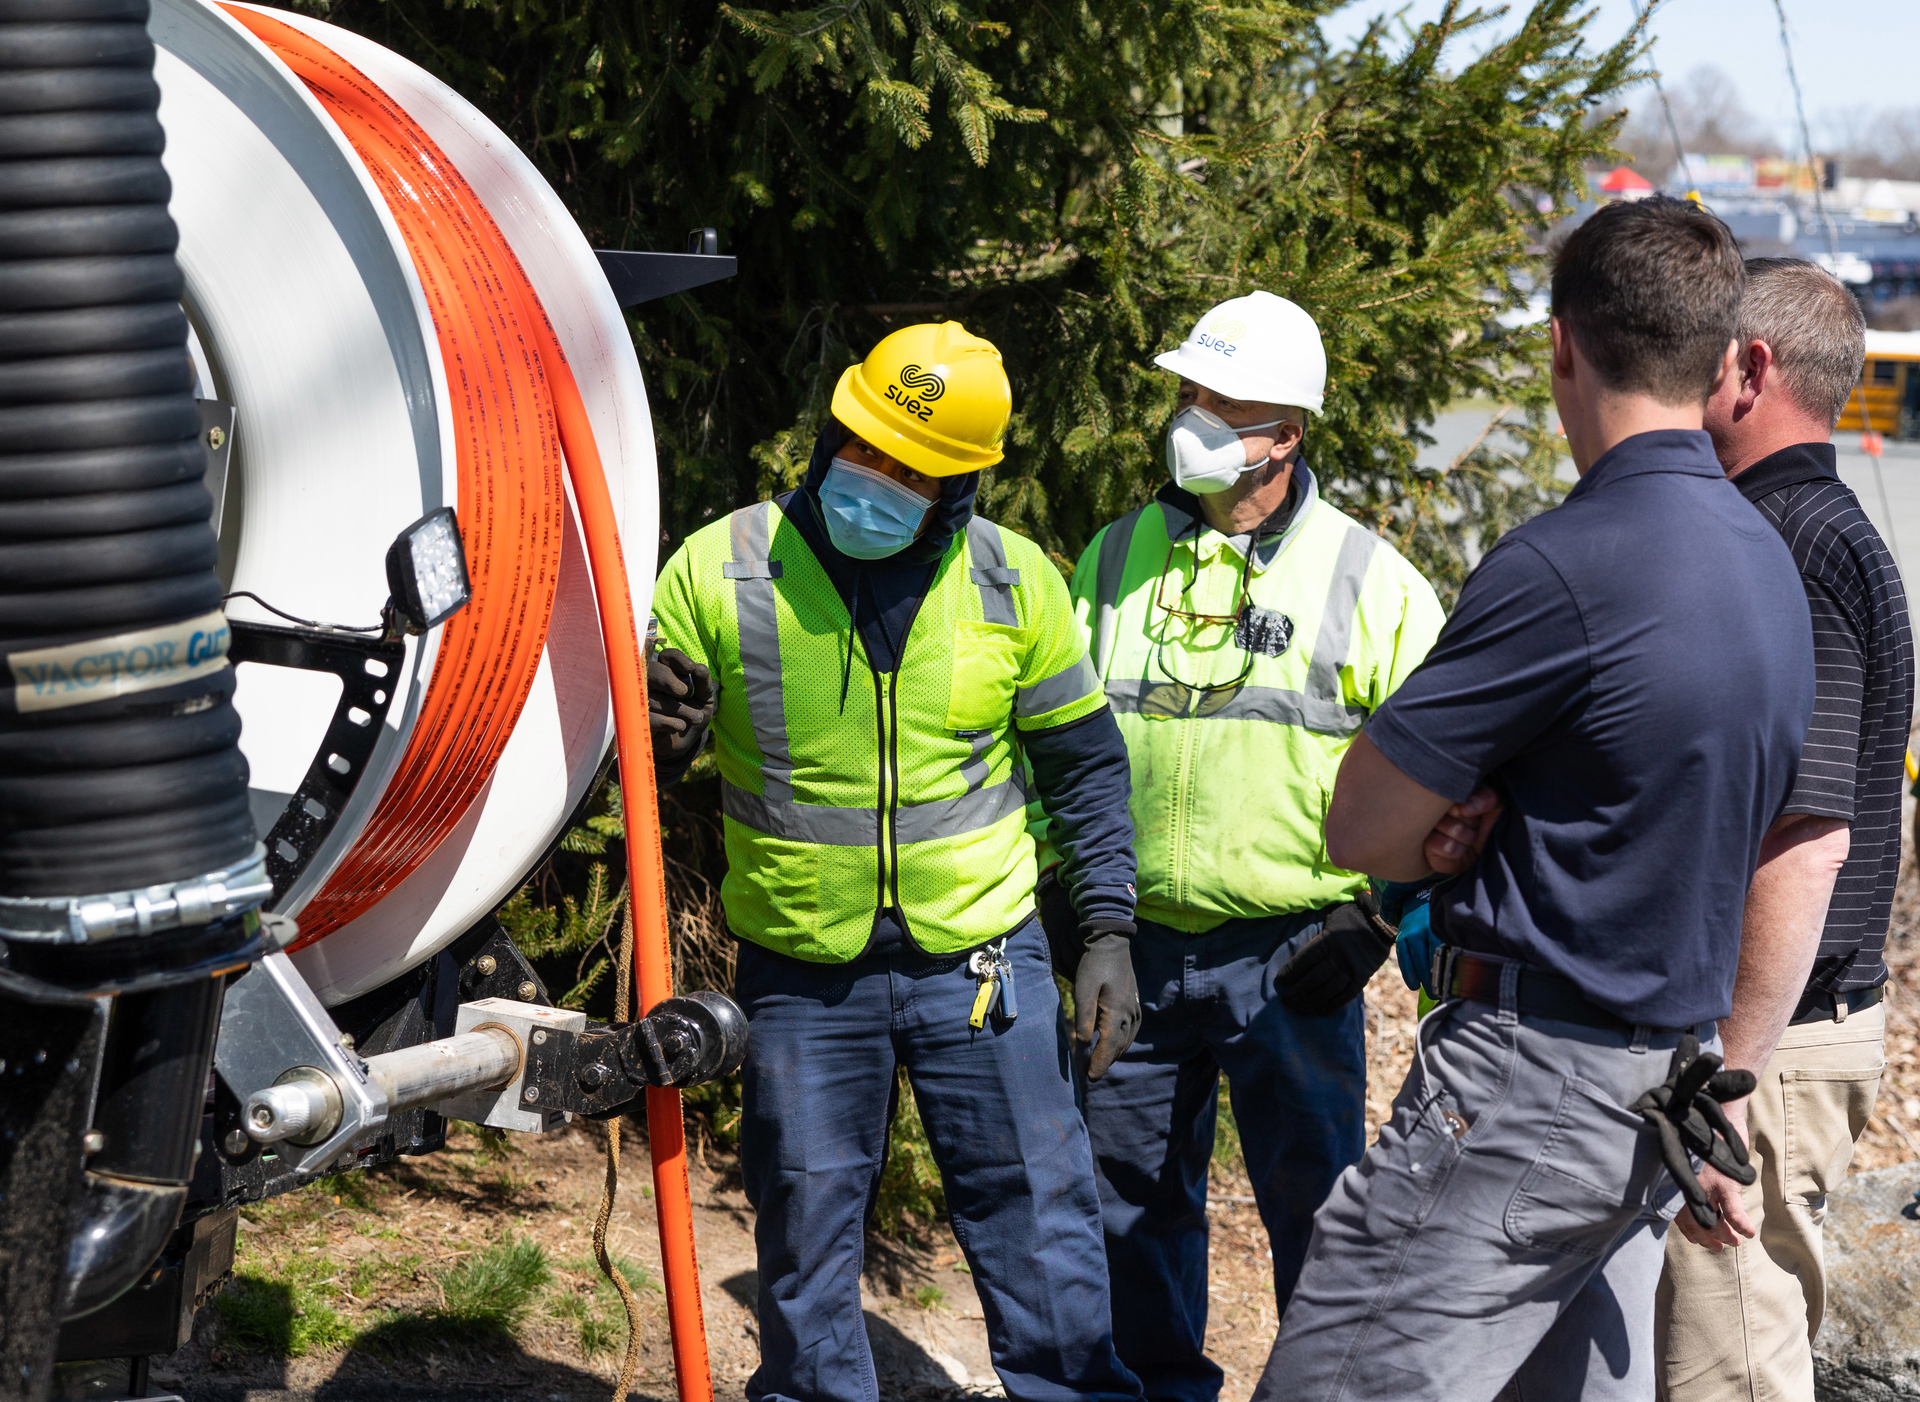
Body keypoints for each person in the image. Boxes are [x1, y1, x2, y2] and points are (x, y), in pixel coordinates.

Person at [1253, 196, 1816, 1400]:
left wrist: (1447, 832)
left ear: (1561, 344)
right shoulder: (1767, 559)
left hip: (1528, 1086)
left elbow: (1360, 826)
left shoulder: (1567, 562)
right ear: (1725, 362)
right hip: (1661, 1084)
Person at [646, 321, 1146, 1402]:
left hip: (983, 965)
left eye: (910, 470)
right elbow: (639, 757)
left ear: (960, 485)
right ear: (832, 432)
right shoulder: (721, 567)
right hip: (802, 969)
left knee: (1042, 1228)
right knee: (806, 1236)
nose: (874, 480)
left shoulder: (1015, 584)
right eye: (862, 448)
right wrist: (651, 738)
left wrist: (1105, 929)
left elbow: (1085, 769)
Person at [1036, 290, 1446, 1400]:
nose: (1194, 421)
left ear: (1288, 432)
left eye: (1224, 405)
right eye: (1189, 396)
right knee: (1128, 1196)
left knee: (1318, 1206)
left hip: (1294, 957)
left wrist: (1375, 919)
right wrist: (1068, 898)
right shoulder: (1116, 557)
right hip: (1133, 948)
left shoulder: (1370, 581)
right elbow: (1058, 743)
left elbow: (1447, 780)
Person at [1656, 259, 1912, 1402]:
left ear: (1753, 367)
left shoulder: (1791, 546)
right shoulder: (1813, 529)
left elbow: (1806, 840)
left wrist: (1726, 1071)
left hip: (1772, 1038)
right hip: (1783, 1027)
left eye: (1703, 352)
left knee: (1734, 1364)